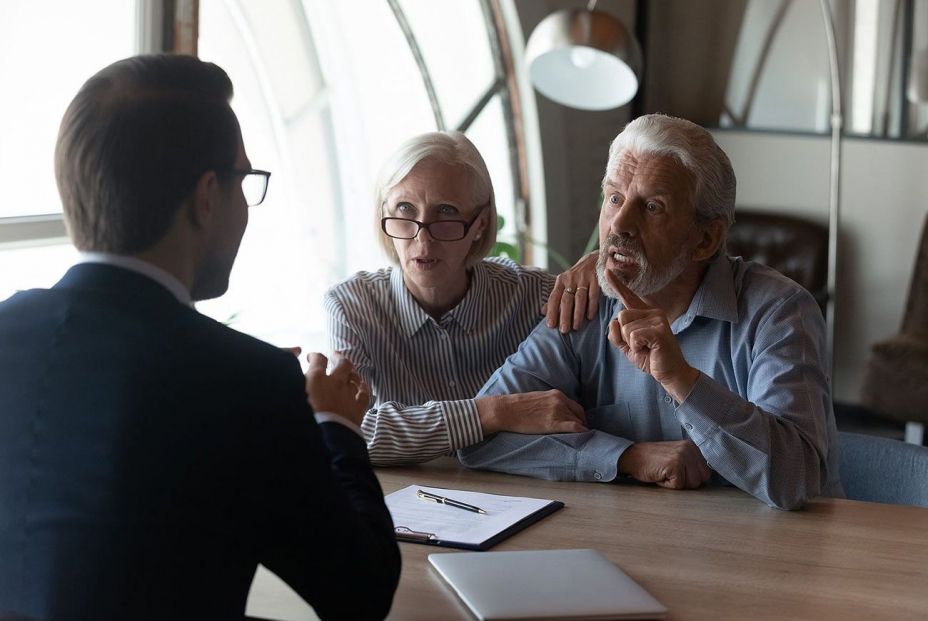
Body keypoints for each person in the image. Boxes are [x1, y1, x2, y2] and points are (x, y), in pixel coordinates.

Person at [0, 55, 399, 620]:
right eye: (244, 181)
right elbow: (361, 594)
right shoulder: (246, 381)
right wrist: (333, 425)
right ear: (207, 195)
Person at [459, 114, 843, 511]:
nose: (619, 225)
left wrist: (683, 381)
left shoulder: (778, 313)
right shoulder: (588, 303)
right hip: (633, 544)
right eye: (614, 198)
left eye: (652, 207)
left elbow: (798, 479)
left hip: (774, 557)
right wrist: (626, 458)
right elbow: (481, 440)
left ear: (705, 238)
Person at [325, 131, 599, 465]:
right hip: (415, 503)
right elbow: (348, 432)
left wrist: (602, 264)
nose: (422, 242)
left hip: (531, 495)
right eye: (405, 209)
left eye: (446, 213)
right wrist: (493, 412)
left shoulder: (533, 295)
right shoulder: (352, 306)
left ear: (481, 224)